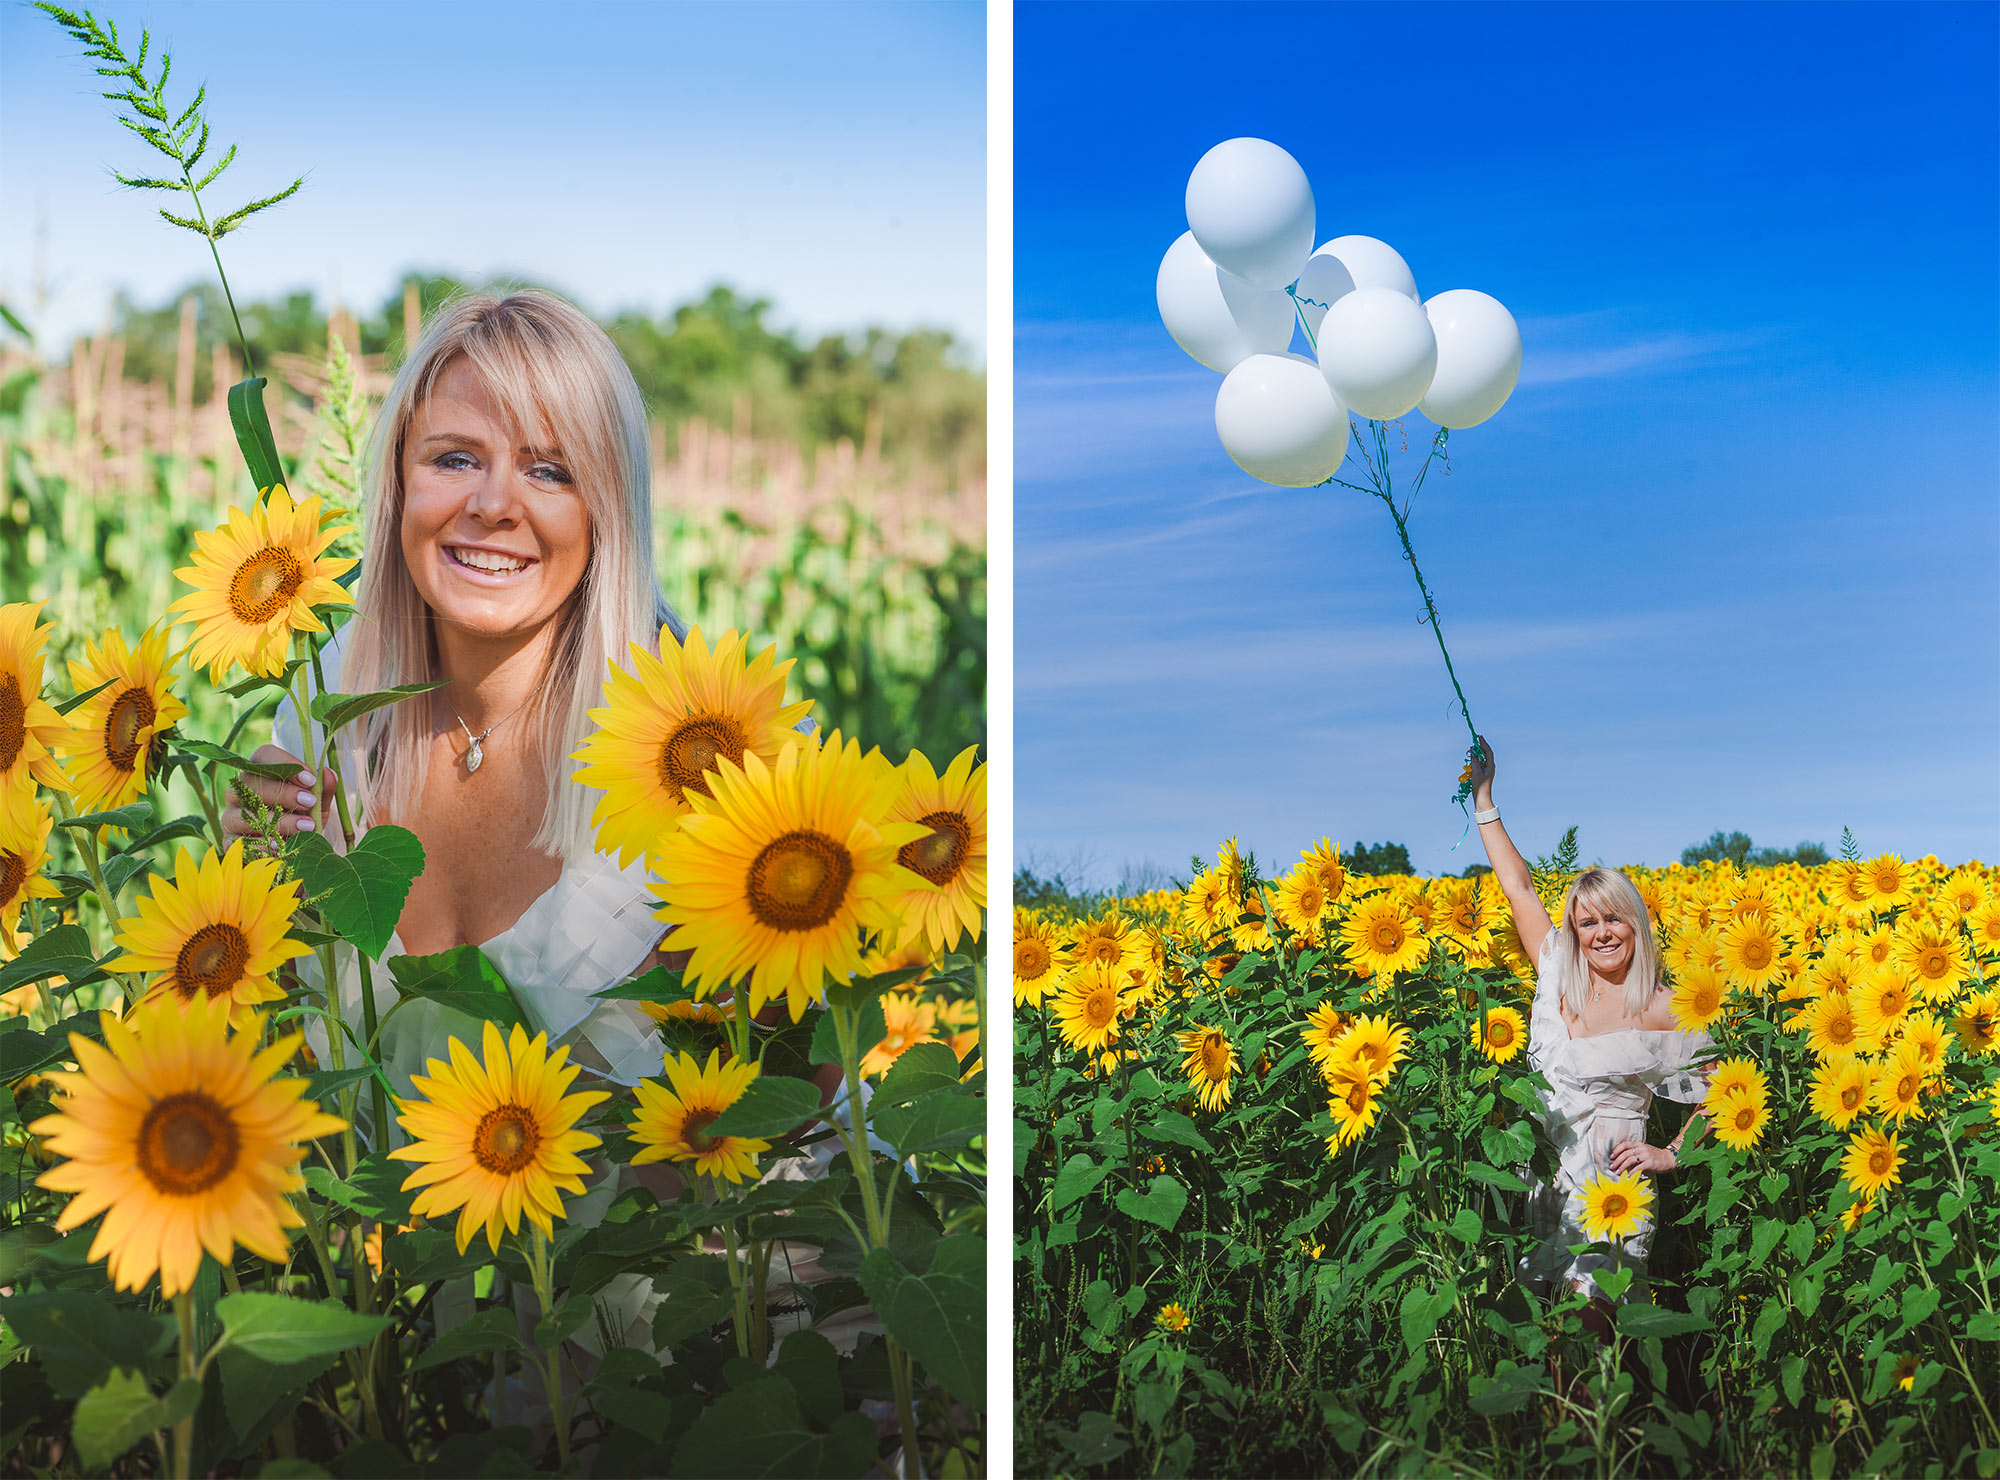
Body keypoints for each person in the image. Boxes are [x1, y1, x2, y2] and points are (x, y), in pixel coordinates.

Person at [1466, 738, 1715, 1315]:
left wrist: (1671, 1154)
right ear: (1574, 932)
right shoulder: (1557, 977)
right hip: (1547, 1178)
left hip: (1612, 1190)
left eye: (1613, 919)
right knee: (1546, 1336)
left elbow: (1724, 1092)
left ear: (1636, 924)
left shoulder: (1665, 1007)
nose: (1601, 933)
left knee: (1589, 1325)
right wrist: (1485, 796)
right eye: (1587, 923)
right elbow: (1519, 890)